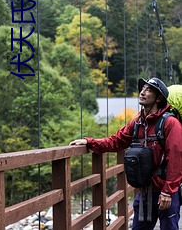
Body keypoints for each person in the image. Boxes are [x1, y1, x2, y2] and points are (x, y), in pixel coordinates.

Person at [69, 77, 182, 230]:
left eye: (148, 90)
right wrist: (89, 142)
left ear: (159, 98)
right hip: (145, 191)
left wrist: (168, 192)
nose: (142, 92)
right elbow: (116, 141)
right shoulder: (137, 123)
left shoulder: (170, 123)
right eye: (142, 89)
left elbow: (176, 158)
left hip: (165, 191)